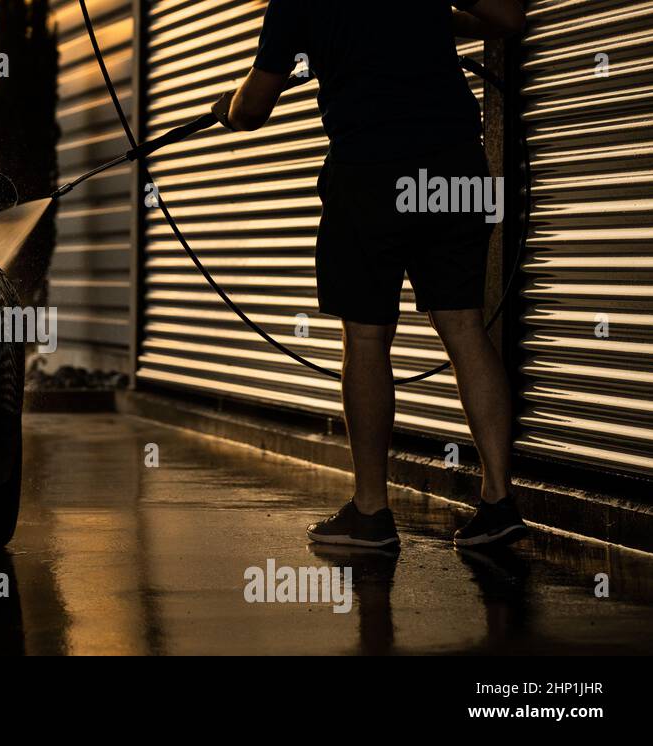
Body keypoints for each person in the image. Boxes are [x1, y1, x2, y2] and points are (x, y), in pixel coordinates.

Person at [211, 0, 527, 548]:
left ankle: (372, 513)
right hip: (453, 167)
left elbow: (254, 105)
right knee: (465, 328)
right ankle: (499, 503)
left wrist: (228, 109)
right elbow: (508, 16)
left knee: (366, 337)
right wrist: (434, 21)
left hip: (370, 174)